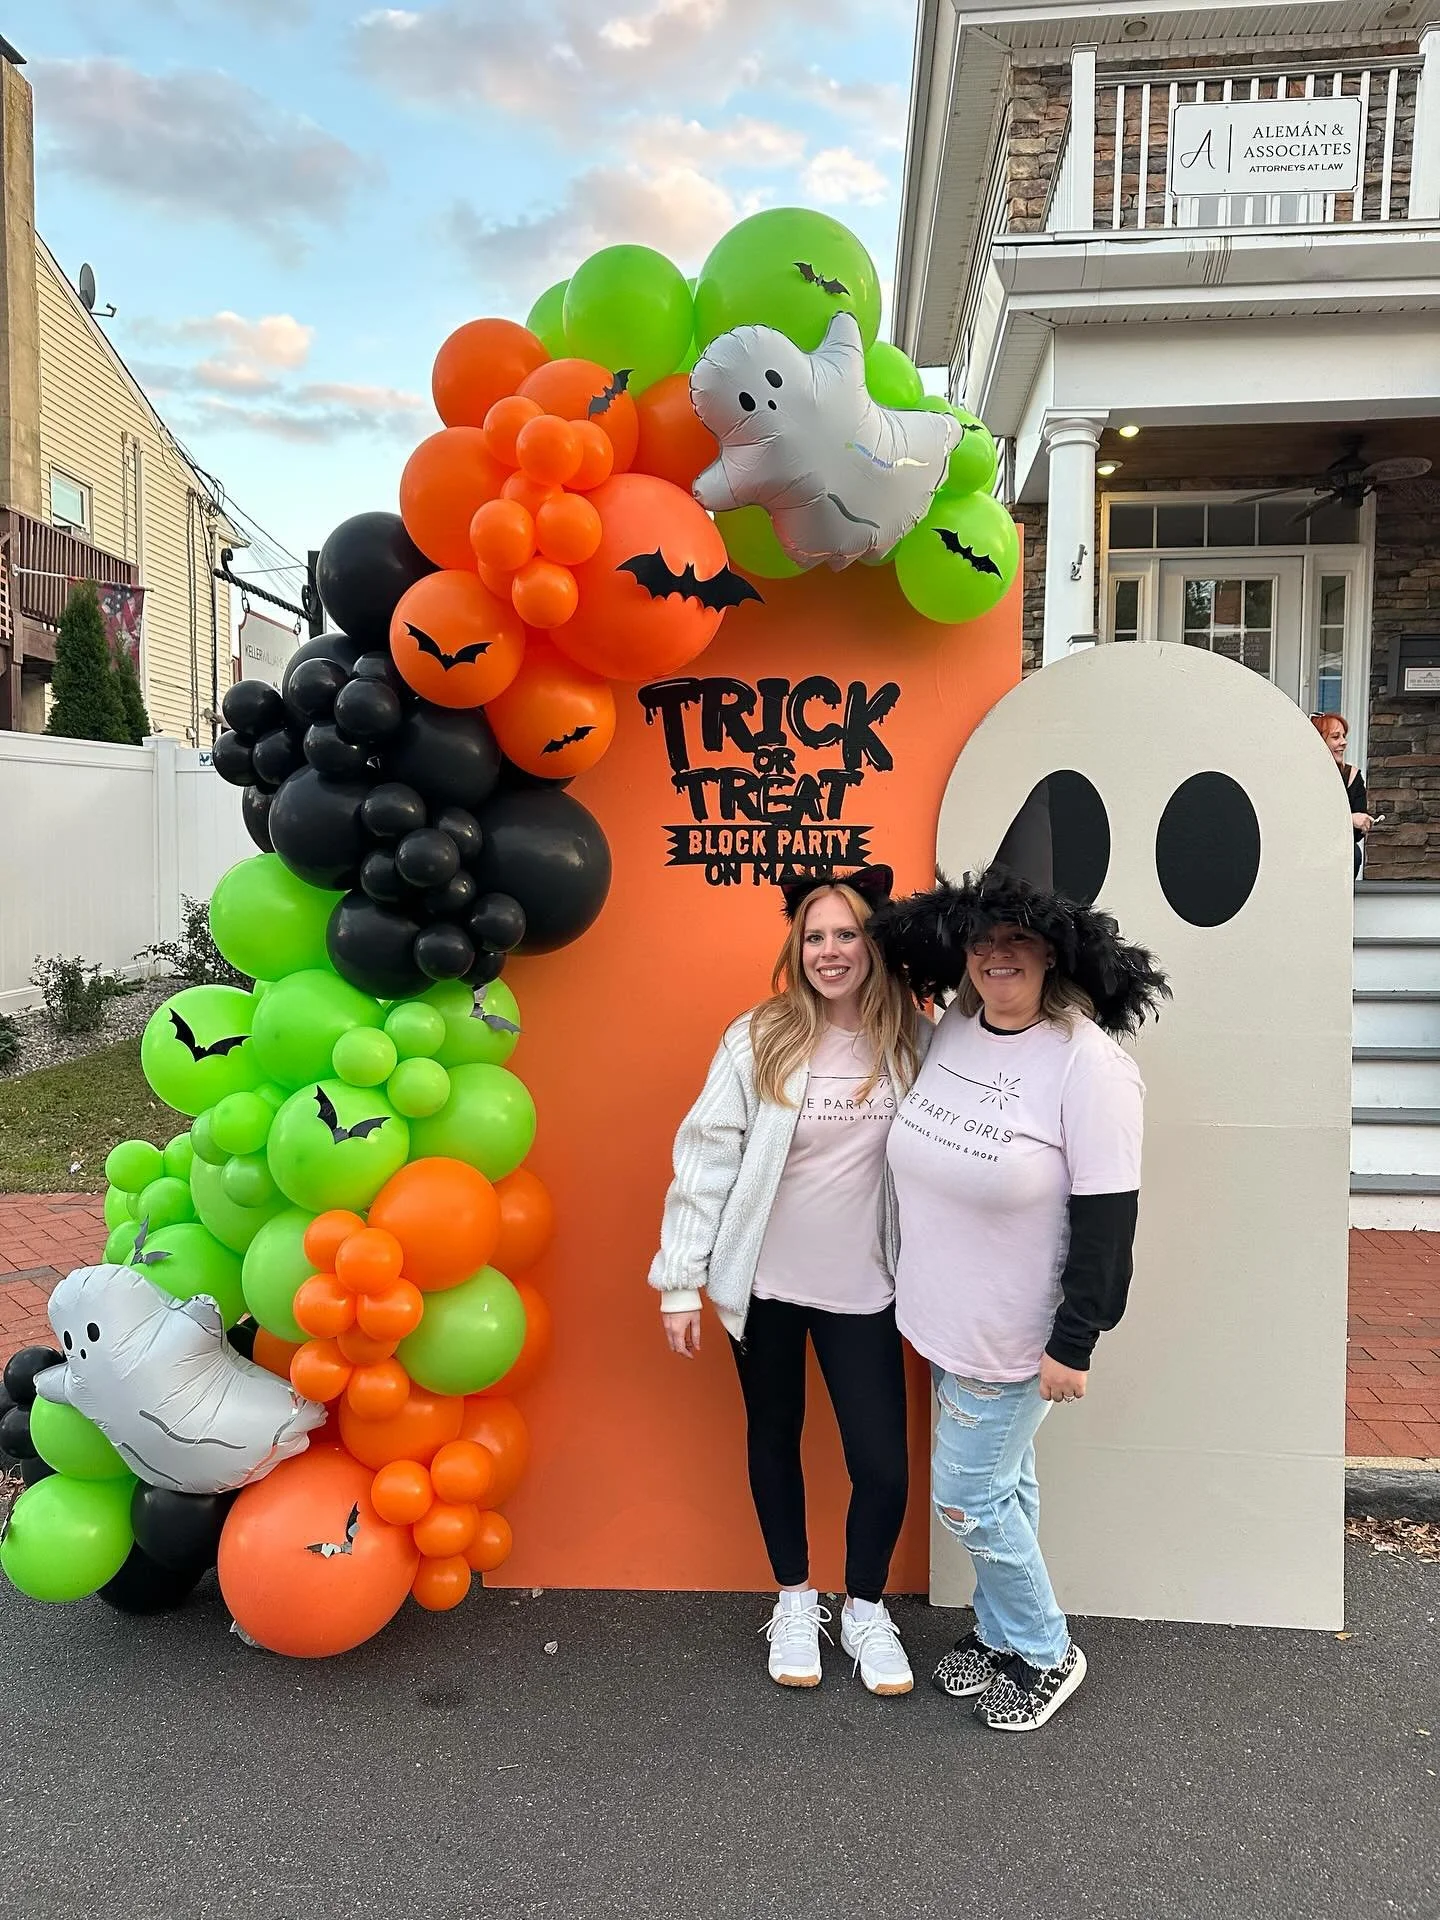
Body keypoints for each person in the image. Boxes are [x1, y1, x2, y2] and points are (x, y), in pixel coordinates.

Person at [872, 867, 1167, 1733]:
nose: (997, 953)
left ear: (1054, 952)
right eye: (981, 938)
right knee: (1005, 1486)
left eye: (1018, 939)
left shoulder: (1091, 1066)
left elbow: (1110, 1224)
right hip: (938, 1317)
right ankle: (1001, 1634)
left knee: (967, 1498)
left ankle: (1043, 1650)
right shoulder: (954, 1028)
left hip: (1015, 1335)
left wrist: (1075, 1343)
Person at [649, 865, 927, 1694]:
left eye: (847, 935)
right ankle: (796, 1598)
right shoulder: (760, 1035)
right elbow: (706, 1158)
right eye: (815, 937)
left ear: (873, 944)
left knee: (881, 1465)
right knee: (773, 1439)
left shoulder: (915, 1038)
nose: (830, 951)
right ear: (795, 947)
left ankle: (866, 1610)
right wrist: (679, 1280)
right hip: (764, 1286)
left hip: (865, 1289)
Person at [1310, 712, 1372, 877]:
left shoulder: (1353, 777)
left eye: (1344, 736)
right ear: (1320, 742)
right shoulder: (1305, 777)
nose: (1343, 742)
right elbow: (1306, 819)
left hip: (1338, 848)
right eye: (1335, 737)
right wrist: (1350, 819)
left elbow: (1355, 836)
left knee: (1353, 853)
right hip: (1307, 849)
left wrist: (1362, 823)